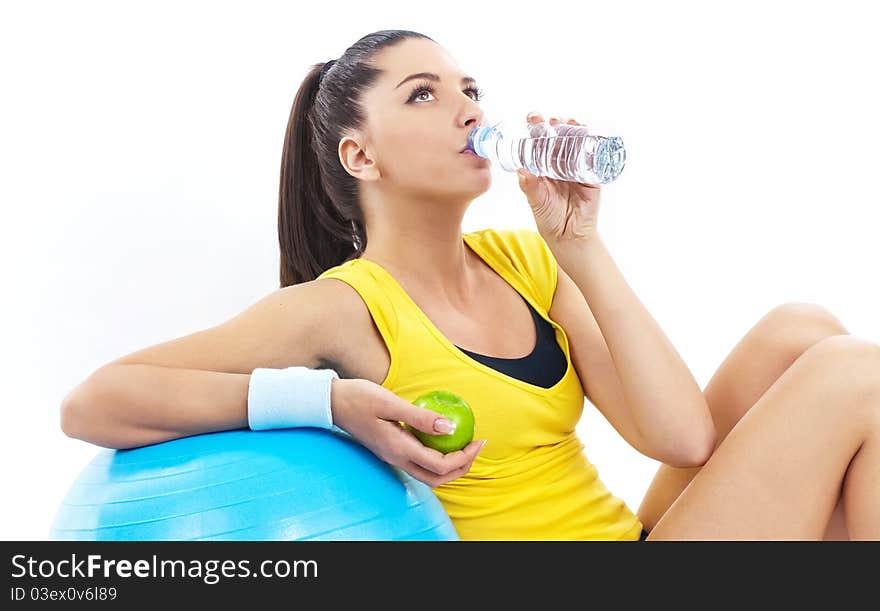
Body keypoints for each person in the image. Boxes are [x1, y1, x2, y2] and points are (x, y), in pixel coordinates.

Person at [60, 29, 880, 541]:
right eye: (424, 94)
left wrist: (582, 247)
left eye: (470, 90)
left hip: (627, 538)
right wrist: (331, 403)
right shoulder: (343, 305)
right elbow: (94, 402)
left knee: (800, 331)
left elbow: (682, 438)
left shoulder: (523, 258)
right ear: (360, 156)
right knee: (855, 376)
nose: (466, 109)